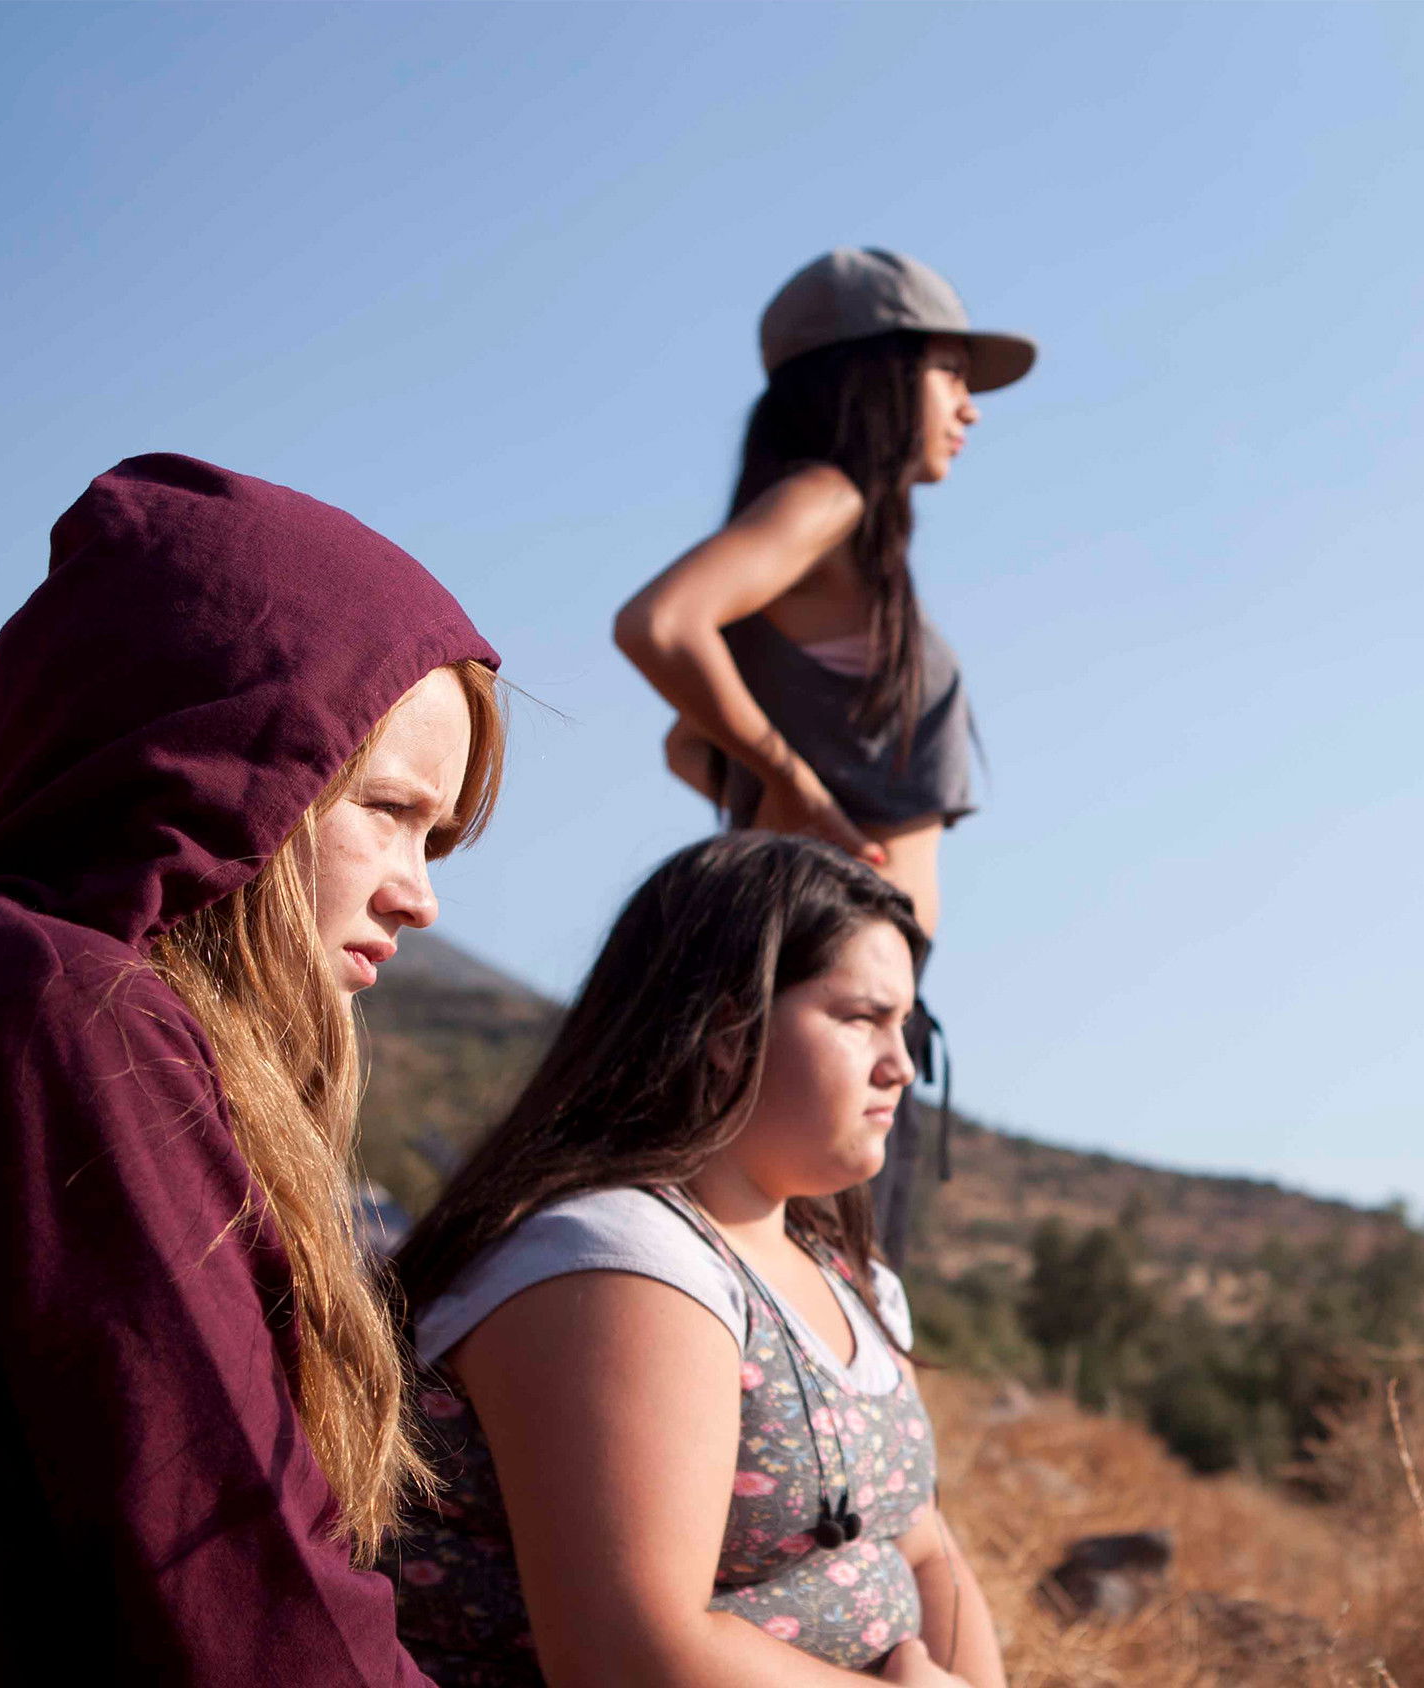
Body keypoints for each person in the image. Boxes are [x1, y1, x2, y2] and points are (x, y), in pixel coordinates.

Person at [0, 454, 507, 1682]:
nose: (418, 896)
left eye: (439, 837)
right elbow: (250, 1607)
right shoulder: (49, 1012)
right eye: (385, 808)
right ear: (212, 754)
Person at [385, 832, 1003, 1688]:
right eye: (861, 1018)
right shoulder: (613, 1265)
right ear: (726, 1028)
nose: (902, 1067)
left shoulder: (842, 1274)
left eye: (907, 1026)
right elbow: (625, 1656)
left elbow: (928, 1550)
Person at [613, 246, 1035, 1261]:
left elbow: (687, 745)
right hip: (815, 988)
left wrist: (781, 785)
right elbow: (660, 623)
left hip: (837, 987)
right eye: (949, 371)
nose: (970, 407)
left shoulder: (851, 547)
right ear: (872, 375)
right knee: (808, 1294)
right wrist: (798, 791)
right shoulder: (827, 499)